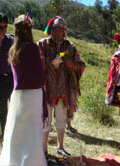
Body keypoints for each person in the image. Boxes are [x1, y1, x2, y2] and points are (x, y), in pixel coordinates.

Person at [0, 14, 47, 166]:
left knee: (17, 131)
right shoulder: (32, 48)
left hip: (18, 96)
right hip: (33, 95)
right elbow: (40, 78)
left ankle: (14, 161)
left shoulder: (13, 50)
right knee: (32, 132)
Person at [38, 16, 85, 157]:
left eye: (60, 30)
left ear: (64, 31)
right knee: (45, 119)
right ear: (51, 30)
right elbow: (35, 63)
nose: (57, 32)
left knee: (61, 118)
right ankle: (43, 148)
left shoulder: (70, 47)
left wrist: (73, 65)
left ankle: (60, 146)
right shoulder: (42, 44)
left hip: (63, 90)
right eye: (55, 30)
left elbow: (81, 65)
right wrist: (47, 61)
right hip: (46, 89)